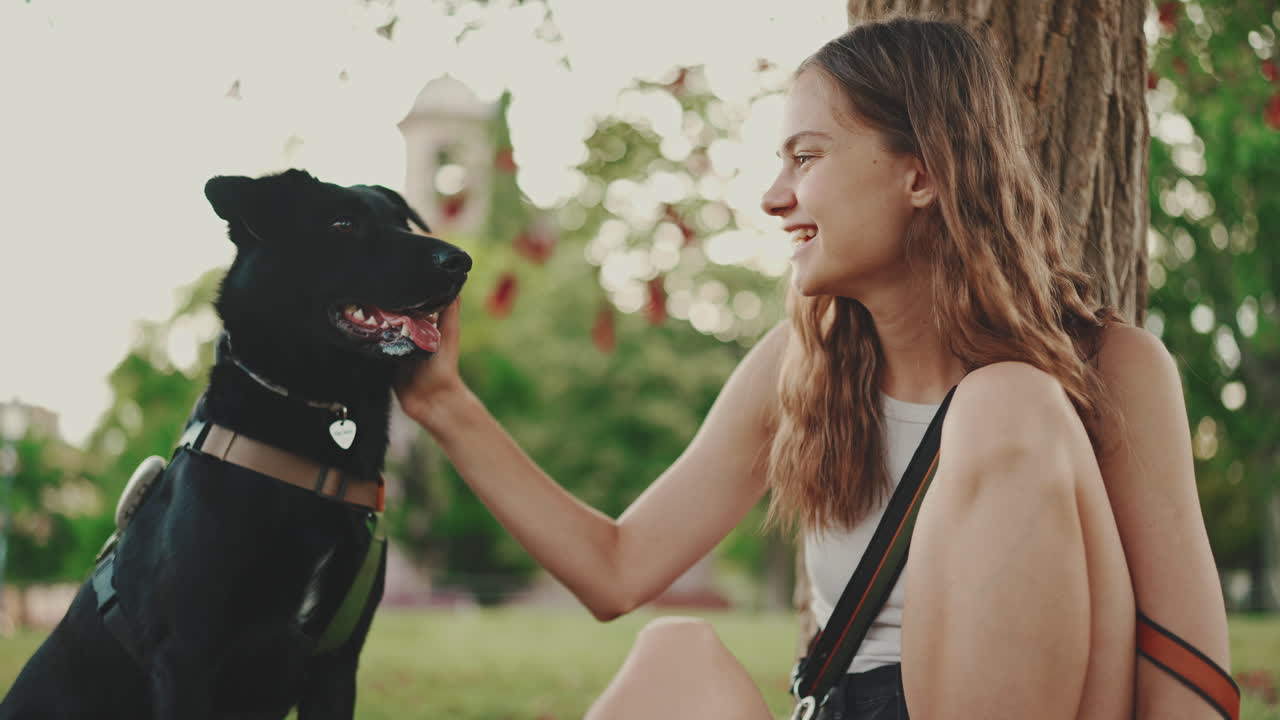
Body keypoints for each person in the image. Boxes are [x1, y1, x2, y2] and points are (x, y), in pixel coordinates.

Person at [395, 14, 1231, 720]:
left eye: (806, 157)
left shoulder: (1110, 366)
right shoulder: (803, 364)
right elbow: (616, 570)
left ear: (923, 173)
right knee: (674, 655)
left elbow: (1188, 676)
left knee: (1005, 401)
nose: (772, 197)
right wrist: (444, 403)